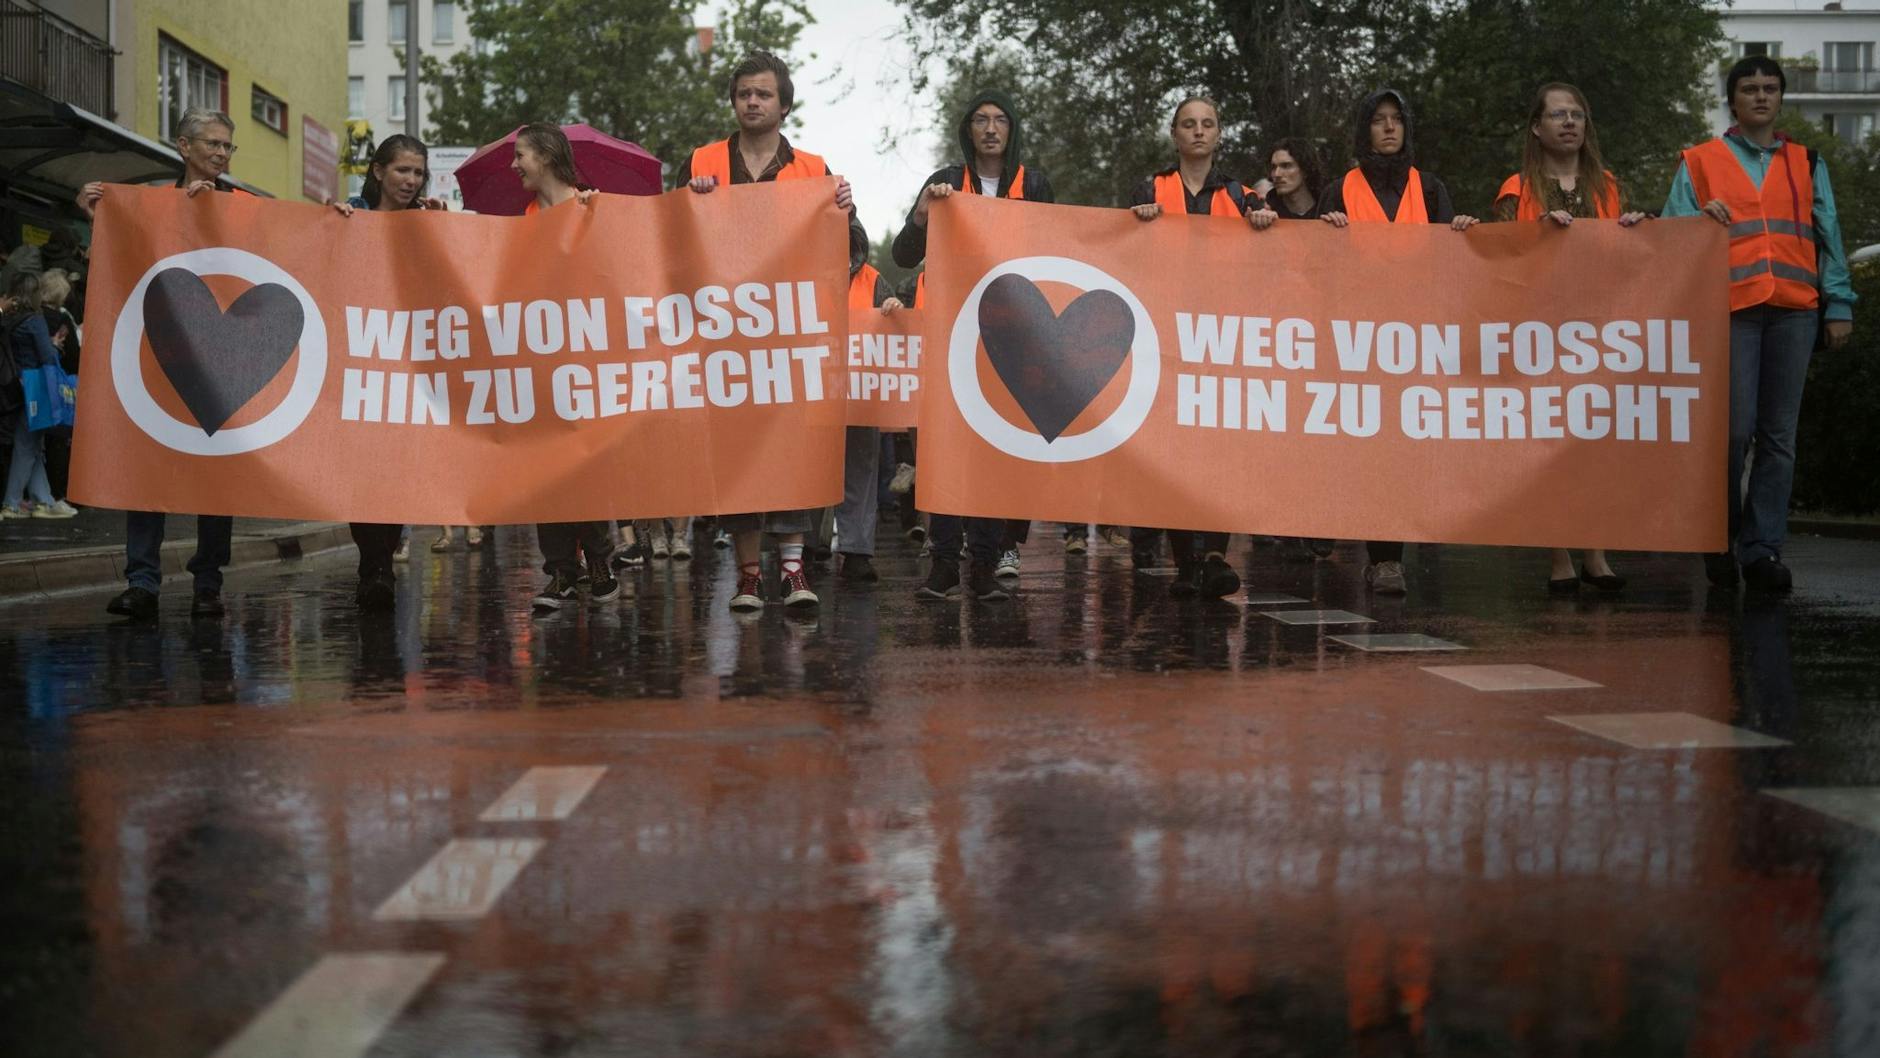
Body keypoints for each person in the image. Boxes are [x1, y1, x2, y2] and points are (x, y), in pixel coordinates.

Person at [1663, 56, 1857, 593]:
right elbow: (1670, 238)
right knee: (1732, 433)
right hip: (1730, 310)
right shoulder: (1699, 161)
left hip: (1796, 309)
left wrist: (1838, 305)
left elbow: (1829, 235)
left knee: (1778, 437)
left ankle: (1762, 549)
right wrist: (1701, 220)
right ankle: (1719, 539)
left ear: (1780, 98)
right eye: (1749, 88)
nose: (1761, 96)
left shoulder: (1807, 160)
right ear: (1732, 100)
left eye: (1770, 88)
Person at [676, 51, 859, 612]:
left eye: (763, 94)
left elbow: (850, 250)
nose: (751, 102)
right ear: (733, 102)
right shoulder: (703, 162)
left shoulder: (813, 169)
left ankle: (794, 572)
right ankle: (750, 576)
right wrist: (689, 203)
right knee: (736, 456)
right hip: (727, 337)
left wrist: (846, 212)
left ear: (784, 105)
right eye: (743, 93)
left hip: (788, 338)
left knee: (791, 449)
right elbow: (671, 241)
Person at [78, 107, 241, 620]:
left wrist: (217, 213)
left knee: (217, 479)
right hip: (156, 356)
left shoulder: (245, 208)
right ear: (183, 146)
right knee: (146, 468)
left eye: (227, 146)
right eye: (212, 144)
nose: (220, 153)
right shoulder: (149, 205)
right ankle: (142, 582)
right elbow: (125, 259)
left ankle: (208, 583)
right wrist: (98, 214)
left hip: (220, 366)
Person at [894, 90, 1055, 603]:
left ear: (1012, 129)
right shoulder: (944, 181)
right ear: (968, 129)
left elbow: (1057, 251)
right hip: (953, 331)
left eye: (999, 120)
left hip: (1013, 333)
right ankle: (944, 563)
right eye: (980, 120)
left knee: (994, 450)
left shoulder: (1036, 184)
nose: (990, 129)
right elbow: (903, 254)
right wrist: (921, 216)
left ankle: (985, 564)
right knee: (948, 449)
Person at [1317, 89, 1477, 597]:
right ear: (1364, 129)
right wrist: (1324, 231)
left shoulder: (1430, 189)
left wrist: (1463, 233)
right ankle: (1379, 555)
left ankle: (1390, 557)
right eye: (1378, 121)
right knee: (1367, 449)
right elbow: (1310, 265)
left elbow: (1452, 265)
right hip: (1356, 339)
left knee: (1403, 449)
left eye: (1396, 121)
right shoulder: (1338, 189)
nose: (1388, 129)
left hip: (1413, 339)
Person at [1494, 83, 1651, 595]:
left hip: (1596, 330)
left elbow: (1622, 258)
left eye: (1577, 115)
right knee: (1549, 444)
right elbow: (1500, 256)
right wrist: (1537, 232)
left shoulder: (1607, 186)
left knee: (1593, 443)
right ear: (1536, 128)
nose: (1569, 123)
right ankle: (1559, 555)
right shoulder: (1516, 187)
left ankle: (1596, 554)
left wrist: (1633, 228)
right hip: (1539, 330)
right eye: (1557, 115)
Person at [1124, 96, 1251, 599]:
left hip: (1221, 338)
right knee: (1174, 448)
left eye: (1208, 124)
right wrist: (1135, 222)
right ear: (1174, 135)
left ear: (1219, 134)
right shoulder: (1150, 188)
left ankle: (1215, 554)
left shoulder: (1241, 195)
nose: (1198, 132)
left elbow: (1272, 259)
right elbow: (1121, 247)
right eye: (1188, 124)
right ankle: (1185, 561)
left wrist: (1262, 226)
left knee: (1218, 446)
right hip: (1165, 334)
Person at [331, 134, 450, 611]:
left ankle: (379, 564)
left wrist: (443, 234)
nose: (412, 180)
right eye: (403, 170)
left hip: (408, 365)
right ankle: (372, 564)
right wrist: (330, 226)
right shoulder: (349, 216)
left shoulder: (427, 223)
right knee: (365, 472)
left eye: (419, 172)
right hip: (359, 360)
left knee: (397, 470)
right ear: (378, 171)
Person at [509, 122, 620, 612]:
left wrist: (591, 220)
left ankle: (598, 557)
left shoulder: (593, 207)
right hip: (542, 360)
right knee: (545, 468)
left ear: (548, 158)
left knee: (589, 462)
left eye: (521, 156)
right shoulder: (525, 219)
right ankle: (560, 571)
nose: (515, 165)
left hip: (591, 358)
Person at [835, 226, 903, 584]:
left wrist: (893, 307)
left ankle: (857, 551)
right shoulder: (800, 268)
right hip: (813, 388)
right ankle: (807, 549)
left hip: (861, 390)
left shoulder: (873, 280)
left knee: (861, 469)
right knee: (810, 470)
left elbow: (896, 325)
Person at [2, 272, 77, 519]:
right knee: (27, 445)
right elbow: (45, 355)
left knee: (33, 445)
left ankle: (43, 500)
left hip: (15, 385)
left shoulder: (9, 318)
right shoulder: (34, 320)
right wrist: (54, 345)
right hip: (35, 388)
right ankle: (12, 503)